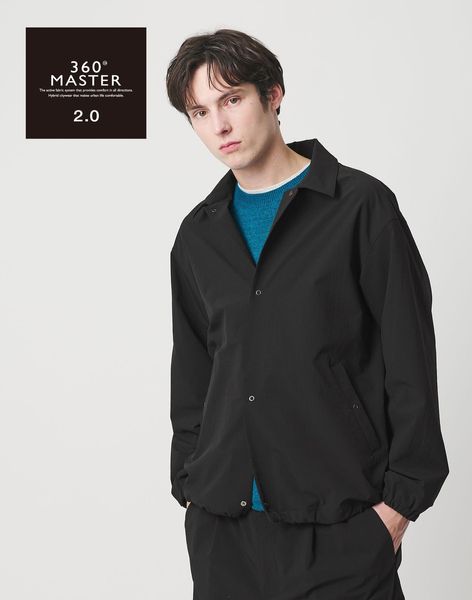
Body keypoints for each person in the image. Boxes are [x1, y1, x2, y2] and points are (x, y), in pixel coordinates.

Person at [165, 28, 449, 600]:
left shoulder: (360, 208)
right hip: (224, 532)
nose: (219, 125)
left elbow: (410, 358)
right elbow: (195, 374)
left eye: (232, 99)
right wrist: (190, 486)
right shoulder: (198, 236)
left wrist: (398, 506)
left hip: (342, 526)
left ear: (273, 94)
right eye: (200, 112)